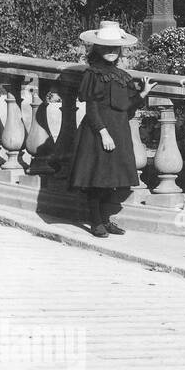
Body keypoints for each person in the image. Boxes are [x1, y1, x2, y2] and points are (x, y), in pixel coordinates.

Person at [67, 21, 156, 237]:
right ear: (97, 48)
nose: (111, 52)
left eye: (114, 48)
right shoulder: (93, 74)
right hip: (99, 132)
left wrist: (142, 94)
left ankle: (106, 220)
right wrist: (103, 132)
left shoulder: (121, 75)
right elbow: (92, 108)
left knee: (113, 179)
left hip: (119, 130)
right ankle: (96, 221)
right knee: (98, 179)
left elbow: (126, 107)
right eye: (106, 48)